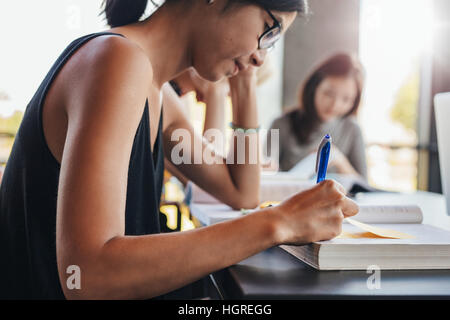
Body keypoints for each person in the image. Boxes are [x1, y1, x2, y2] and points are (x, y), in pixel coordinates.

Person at [0, 0, 358, 299]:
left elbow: (241, 191)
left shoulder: (160, 95)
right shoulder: (116, 61)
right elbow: (87, 275)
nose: (262, 57)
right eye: (269, 29)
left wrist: (245, 87)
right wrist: (279, 222)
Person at [266, 53, 367, 179]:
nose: (335, 105)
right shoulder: (280, 124)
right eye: (329, 94)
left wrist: (340, 161)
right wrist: (268, 169)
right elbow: (267, 173)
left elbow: (364, 185)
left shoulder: (352, 129)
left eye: (346, 99)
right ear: (314, 87)